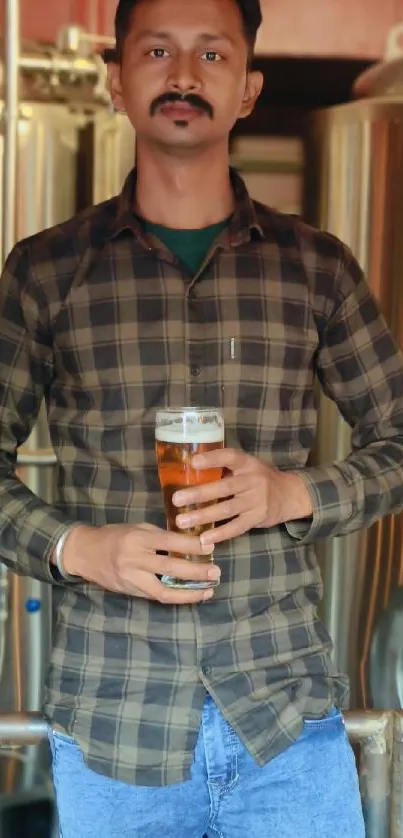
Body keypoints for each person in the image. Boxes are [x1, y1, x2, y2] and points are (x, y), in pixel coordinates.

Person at [0, 0, 402, 834]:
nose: (184, 75)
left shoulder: (316, 267)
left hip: (284, 716)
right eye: (157, 50)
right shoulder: (46, 272)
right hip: (116, 721)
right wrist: (80, 548)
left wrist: (296, 495)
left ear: (248, 89)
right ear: (116, 81)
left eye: (212, 55)